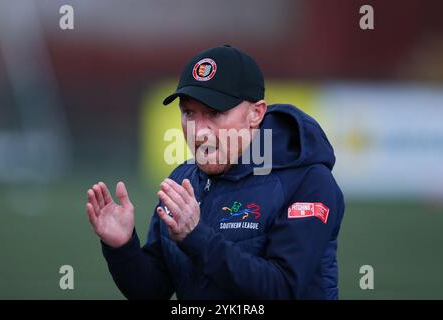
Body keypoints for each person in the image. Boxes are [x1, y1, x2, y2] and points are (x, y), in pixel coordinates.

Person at [86, 45, 345, 299]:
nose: (198, 131)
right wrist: (122, 248)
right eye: (189, 112)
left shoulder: (308, 181)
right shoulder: (182, 180)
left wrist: (196, 237)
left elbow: (283, 288)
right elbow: (153, 289)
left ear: (256, 113)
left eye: (215, 112)